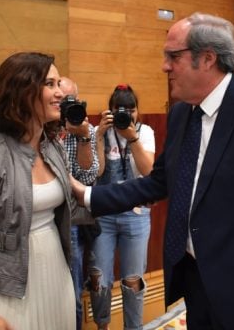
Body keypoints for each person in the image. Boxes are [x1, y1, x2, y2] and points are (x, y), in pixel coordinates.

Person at [74, 12, 234, 329]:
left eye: (173, 56)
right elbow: (160, 181)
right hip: (196, 279)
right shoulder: (180, 114)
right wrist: (87, 195)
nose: (164, 66)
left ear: (207, 59)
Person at [0, 52, 86, 329]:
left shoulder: (52, 147)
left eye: (59, 83)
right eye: (50, 84)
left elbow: (73, 206)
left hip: (56, 275)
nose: (60, 93)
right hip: (6, 290)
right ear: (22, 91)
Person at [88, 84, 155, 330]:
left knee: (133, 280)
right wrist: (97, 137)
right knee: (98, 278)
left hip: (136, 215)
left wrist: (132, 138)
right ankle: (102, 325)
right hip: (104, 214)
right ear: (110, 111)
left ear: (138, 111)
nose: (126, 115)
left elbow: (148, 171)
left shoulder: (144, 131)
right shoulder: (101, 131)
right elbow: (99, 172)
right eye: (120, 110)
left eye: (132, 109)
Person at [60, 76, 99, 330]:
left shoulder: (87, 130)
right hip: (39, 221)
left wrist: (83, 137)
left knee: (71, 294)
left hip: (71, 221)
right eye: (63, 102)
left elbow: (88, 176)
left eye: (71, 101)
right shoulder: (39, 129)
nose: (66, 107)